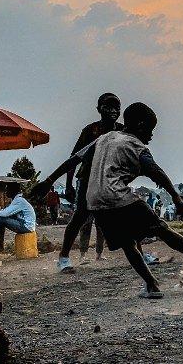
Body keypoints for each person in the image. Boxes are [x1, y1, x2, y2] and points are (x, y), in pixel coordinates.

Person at [31, 102, 183, 299]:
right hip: (117, 194)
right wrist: (176, 197)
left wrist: (48, 181)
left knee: (128, 244)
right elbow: (156, 171)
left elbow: (73, 160)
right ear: (140, 126)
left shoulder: (103, 139)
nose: (151, 136)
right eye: (150, 130)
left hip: (94, 201)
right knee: (161, 229)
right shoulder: (135, 145)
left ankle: (152, 285)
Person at [57, 93, 122, 272]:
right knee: (80, 216)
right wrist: (68, 185)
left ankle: (139, 254)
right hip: (88, 178)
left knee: (124, 214)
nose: (112, 110)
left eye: (116, 107)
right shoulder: (91, 130)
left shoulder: (122, 131)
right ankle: (64, 257)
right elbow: (74, 158)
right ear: (99, 109)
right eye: (107, 106)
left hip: (111, 179)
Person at [0, 182, 36, 250]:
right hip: (25, 224)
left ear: (13, 191)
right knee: (1, 218)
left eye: (7, 189)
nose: (6, 192)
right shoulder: (17, 200)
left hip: (26, 226)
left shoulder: (19, 200)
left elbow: (5, 213)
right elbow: (6, 212)